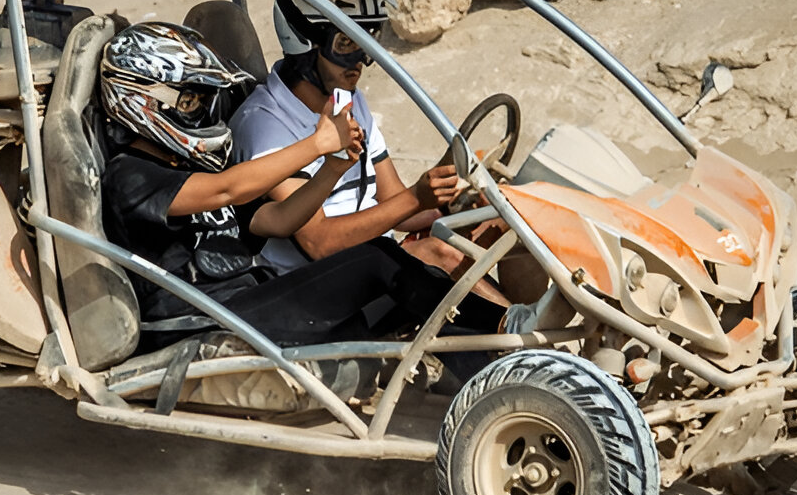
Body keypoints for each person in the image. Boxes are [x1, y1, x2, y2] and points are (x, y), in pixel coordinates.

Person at [99, 21, 503, 353]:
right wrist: (316, 144)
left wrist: (330, 168)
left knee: (389, 272)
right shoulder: (131, 177)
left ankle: (498, 348)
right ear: (142, 100)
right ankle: (502, 335)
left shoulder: (188, 163)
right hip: (191, 319)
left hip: (244, 298)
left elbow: (278, 220)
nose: (203, 111)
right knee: (375, 258)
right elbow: (226, 191)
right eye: (190, 101)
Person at [229, 0, 507, 304]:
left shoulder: (348, 100)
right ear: (303, 43)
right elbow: (320, 244)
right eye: (345, 44)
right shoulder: (265, 126)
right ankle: (533, 347)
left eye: (366, 41)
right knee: (441, 255)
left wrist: (453, 203)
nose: (360, 60)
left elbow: (395, 205)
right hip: (313, 288)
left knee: (505, 222)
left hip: (376, 258)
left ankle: (534, 326)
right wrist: (418, 198)